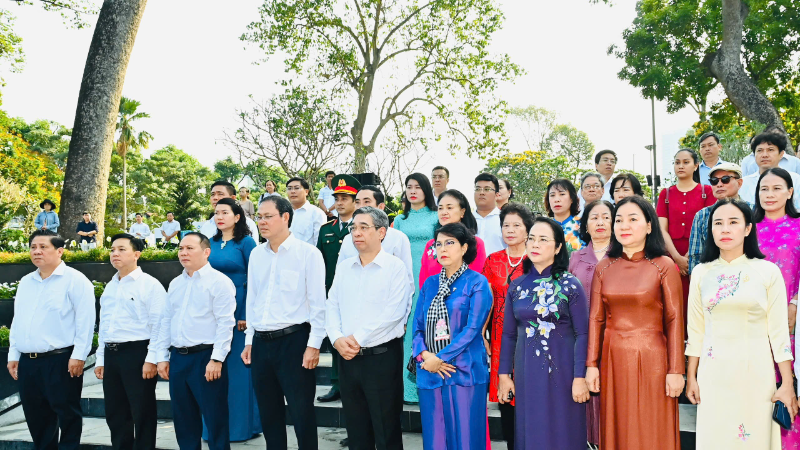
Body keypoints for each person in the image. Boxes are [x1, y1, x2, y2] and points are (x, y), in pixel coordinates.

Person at [686, 198, 797, 449]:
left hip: (756, 375)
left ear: (748, 229)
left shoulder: (768, 271)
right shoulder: (701, 272)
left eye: (733, 222)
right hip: (712, 376)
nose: (725, 229)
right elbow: (696, 330)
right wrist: (691, 376)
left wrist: (787, 384)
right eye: (718, 223)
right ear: (710, 230)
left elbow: (779, 334)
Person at [585, 196, 685, 450]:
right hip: (612, 359)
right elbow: (596, 319)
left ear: (649, 225)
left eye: (632, 219)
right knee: (618, 426)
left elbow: (674, 320)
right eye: (618, 220)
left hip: (654, 359)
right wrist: (592, 365)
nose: (623, 225)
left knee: (653, 427)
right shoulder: (604, 267)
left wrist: (676, 370)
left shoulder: (663, 266)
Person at [498, 217, 590, 450]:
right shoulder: (516, 286)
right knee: (531, 431)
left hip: (565, 374)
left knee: (563, 431)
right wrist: (504, 375)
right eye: (531, 239)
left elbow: (583, 334)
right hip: (527, 372)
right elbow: (508, 334)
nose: (535, 244)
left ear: (558, 247)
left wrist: (580, 377)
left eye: (543, 240)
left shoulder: (571, 285)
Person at [242, 196, 325, 450]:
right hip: (261, 342)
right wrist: (249, 341)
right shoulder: (257, 254)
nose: (262, 222)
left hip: (295, 342)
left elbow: (318, 304)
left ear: (285, 217)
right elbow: (253, 299)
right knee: (269, 413)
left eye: (268, 216)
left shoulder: (308, 253)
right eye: (259, 217)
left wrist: (314, 345)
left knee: (301, 413)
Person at [326, 206, 412, 450]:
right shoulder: (344, 268)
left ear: (382, 232)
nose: (357, 233)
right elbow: (331, 306)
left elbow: (393, 314)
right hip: (347, 359)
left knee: (386, 431)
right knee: (356, 430)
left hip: (381, 359)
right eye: (354, 228)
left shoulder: (395, 268)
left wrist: (354, 339)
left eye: (364, 227)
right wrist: (336, 338)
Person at [6, 230, 95, 450]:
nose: (37, 251)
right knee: (37, 417)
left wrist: (79, 356)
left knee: (67, 415)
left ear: (60, 251)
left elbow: (86, 322)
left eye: (43, 247)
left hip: (61, 360)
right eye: (33, 247)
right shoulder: (26, 282)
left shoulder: (75, 280)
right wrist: (14, 354)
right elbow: (18, 321)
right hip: (29, 362)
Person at [412, 223, 492, 450]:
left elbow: (473, 329)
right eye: (438, 244)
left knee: (467, 439)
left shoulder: (477, 282)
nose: (442, 249)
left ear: (465, 248)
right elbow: (417, 326)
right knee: (435, 439)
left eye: (450, 243)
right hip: (430, 370)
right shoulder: (430, 284)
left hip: (464, 370)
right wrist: (426, 355)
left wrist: (441, 357)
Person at [155, 233, 236, 450]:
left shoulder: (220, 282)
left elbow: (225, 323)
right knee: (184, 422)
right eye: (181, 248)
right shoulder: (175, 283)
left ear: (206, 252)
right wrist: (162, 356)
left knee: (215, 420)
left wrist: (217, 359)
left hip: (206, 359)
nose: (183, 253)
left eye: (190, 248)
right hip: (178, 360)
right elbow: (166, 321)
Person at [95, 233, 166, 450]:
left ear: (137, 254)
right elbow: (105, 325)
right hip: (112, 353)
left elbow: (160, 325)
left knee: (142, 412)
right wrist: (100, 358)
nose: (115, 254)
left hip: (138, 353)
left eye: (121, 249)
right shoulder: (110, 286)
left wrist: (152, 358)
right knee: (115, 413)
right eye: (112, 249)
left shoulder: (150, 285)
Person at [202, 198, 260, 441]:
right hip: (211, 313)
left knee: (237, 373)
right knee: (212, 372)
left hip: (239, 315)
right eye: (216, 213)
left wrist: (246, 314)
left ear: (237, 217)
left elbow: (256, 280)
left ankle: (241, 427)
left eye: (225, 212)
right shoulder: (209, 244)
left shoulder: (246, 243)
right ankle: (213, 429)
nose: (219, 217)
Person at [752, 168, 800, 445]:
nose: (769, 195)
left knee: (789, 395)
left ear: (790, 192)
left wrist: (795, 303)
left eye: (776, 188)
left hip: (792, 323)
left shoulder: (798, 225)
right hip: (755, 323)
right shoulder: (748, 229)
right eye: (764, 189)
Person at [481, 203, 533, 450]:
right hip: (501, 339)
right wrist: (482, 334)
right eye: (505, 225)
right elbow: (485, 303)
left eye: (516, 225)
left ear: (527, 229)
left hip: (533, 338)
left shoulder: (538, 259)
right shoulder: (493, 261)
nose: (510, 230)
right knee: (507, 400)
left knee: (531, 400)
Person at [567, 199, 614, 448]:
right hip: (582, 338)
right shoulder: (575, 258)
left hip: (614, 338)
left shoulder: (623, 255)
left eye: (606, 217)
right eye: (594, 217)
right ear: (585, 223)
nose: (600, 222)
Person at [393, 173, 439, 404]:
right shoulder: (401, 219)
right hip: (405, 276)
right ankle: (406, 389)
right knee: (408, 330)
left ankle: (426, 384)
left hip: (429, 276)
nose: (413, 191)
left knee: (425, 329)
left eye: (418, 187)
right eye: (409, 187)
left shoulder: (435, 216)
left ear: (426, 190)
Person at [657, 148, 715, 330]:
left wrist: (689, 258)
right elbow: (662, 229)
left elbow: (708, 226)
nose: (681, 166)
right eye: (677, 162)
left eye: (686, 162)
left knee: (699, 304)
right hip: (671, 257)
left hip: (700, 257)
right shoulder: (665, 194)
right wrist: (677, 258)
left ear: (696, 166)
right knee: (674, 305)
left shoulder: (707, 191)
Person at [316, 174, 361, 404]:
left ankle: (353, 385)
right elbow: (319, 264)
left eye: (345, 198)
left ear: (355, 201)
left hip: (358, 294)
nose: (340, 202)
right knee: (335, 338)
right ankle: (336, 383)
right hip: (332, 292)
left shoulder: (363, 227)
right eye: (337, 198)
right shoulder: (326, 230)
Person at [418, 189, 488, 290]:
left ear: (462, 211)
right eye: (440, 208)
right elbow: (423, 283)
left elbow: (476, 281)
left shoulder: (476, 244)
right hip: (433, 302)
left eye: (449, 208)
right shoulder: (431, 245)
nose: (444, 212)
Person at [337, 185, 413, 277]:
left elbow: (407, 278)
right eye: (357, 202)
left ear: (381, 207)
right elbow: (340, 275)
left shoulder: (398, 238)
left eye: (366, 202)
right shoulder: (348, 239)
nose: (361, 207)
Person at [687, 163, 747, 274]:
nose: (719, 184)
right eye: (714, 181)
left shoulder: (754, 211)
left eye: (725, 179)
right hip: (712, 278)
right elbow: (695, 257)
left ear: (739, 183)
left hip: (748, 276)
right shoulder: (702, 215)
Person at [740, 131, 800, 209]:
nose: (764, 155)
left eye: (770, 150)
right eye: (759, 150)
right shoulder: (744, 183)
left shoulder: (795, 180)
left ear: (781, 154)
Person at [544, 179, 584, 253]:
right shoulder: (543, 228)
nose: (556, 200)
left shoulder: (583, 225)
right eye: (552, 195)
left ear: (572, 198)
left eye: (562, 194)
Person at [286, 177, 327, 246]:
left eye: (296, 188)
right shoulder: (282, 213)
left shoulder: (316, 213)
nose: (292, 191)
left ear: (306, 192)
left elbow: (319, 242)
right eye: (289, 188)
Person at [474, 173, 506, 255]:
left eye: (487, 189)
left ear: (497, 195)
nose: (481, 193)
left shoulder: (504, 219)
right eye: (478, 189)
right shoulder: (466, 219)